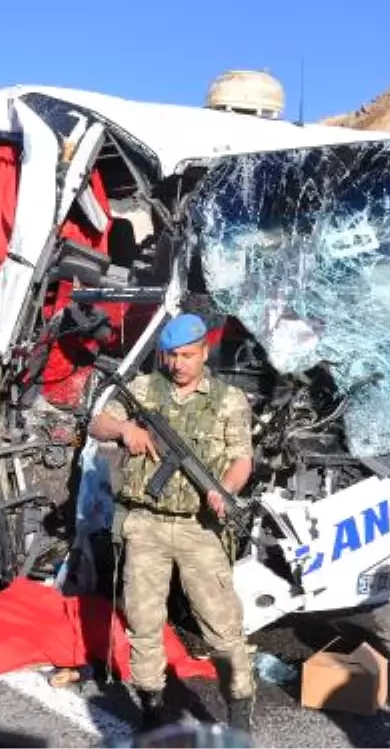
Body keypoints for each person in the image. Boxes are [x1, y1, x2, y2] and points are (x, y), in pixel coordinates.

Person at [88, 313, 256, 734]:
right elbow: (97, 422)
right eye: (171, 356)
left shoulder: (229, 400)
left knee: (221, 628)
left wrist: (225, 490)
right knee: (143, 624)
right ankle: (151, 710)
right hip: (145, 524)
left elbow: (242, 459)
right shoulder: (144, 389)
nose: (178, 364)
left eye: (187, 355)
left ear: (204, 352)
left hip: (200, 528)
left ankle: (239, 711)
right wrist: (125, 428)